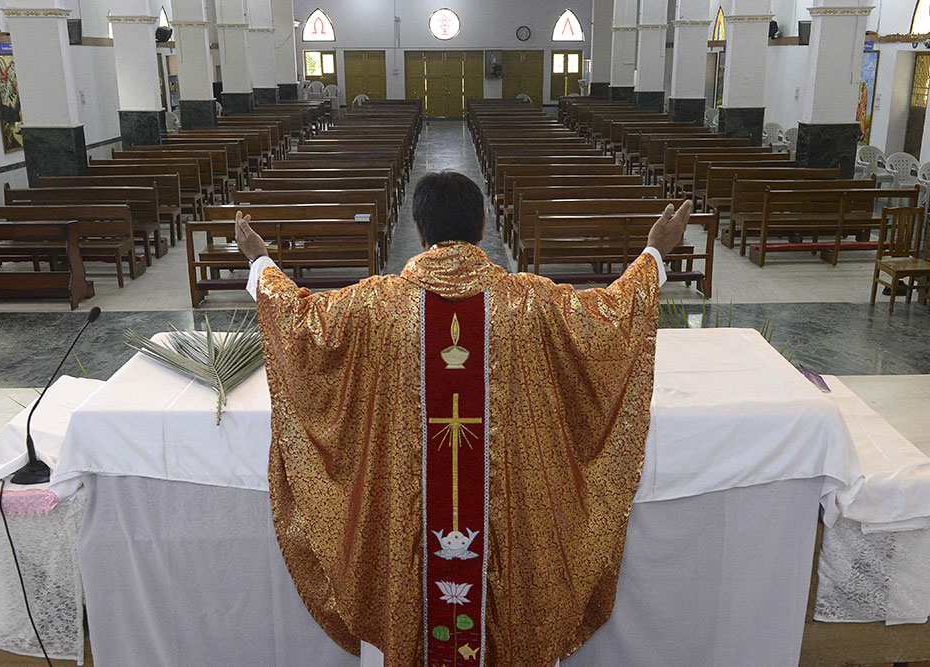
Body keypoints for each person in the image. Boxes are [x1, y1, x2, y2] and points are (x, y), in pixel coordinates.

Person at [236, 170, 691, 666]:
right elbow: (608, 315)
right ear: (482, 228)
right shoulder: (527, 303)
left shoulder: (377, 304)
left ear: (420, 231)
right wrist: (654, 254)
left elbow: (302, 323)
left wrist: (260, 260)